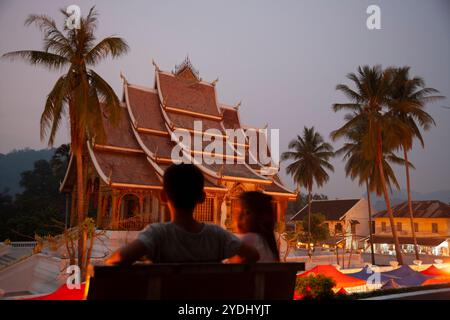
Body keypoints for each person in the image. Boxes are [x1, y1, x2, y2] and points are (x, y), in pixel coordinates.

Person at [105, 163, 259, 265]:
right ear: (202, 197)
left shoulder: (158, 234)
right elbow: (253, 255)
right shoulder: (217, 235)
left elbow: (118, 259)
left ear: (163, 197)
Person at [233, 191, 280, 262]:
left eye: (247, 212)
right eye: (237, 212)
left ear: (261, 217)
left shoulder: (248, 239)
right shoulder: (268, 245)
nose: (239, 217)